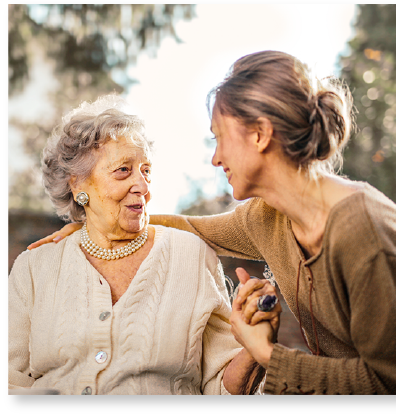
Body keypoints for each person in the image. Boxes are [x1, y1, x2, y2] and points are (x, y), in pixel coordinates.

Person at [28, 50, 396, 395]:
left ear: (260, 134)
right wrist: (95, 224)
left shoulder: (362, 231)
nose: (216, 158)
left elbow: (388, 380)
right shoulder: (267, 217)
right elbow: (193, 227)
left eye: (219, 138)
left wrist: (268, 356)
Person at [9, 94, 277, 395]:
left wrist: (256, 349)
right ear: (78, 184)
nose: (143, 186)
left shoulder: (192, 256)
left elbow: (221, 386)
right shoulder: (33, 268)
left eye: (146, 170)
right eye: (123, 170)